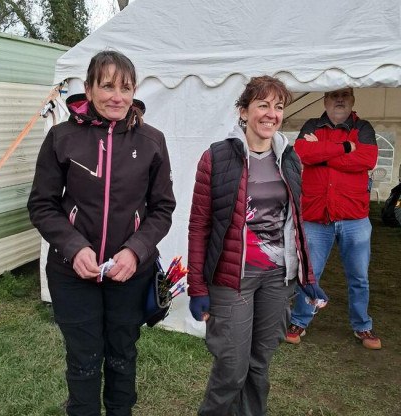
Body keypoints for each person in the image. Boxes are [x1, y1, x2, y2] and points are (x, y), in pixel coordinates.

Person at [27, 50, 176, 416]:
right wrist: (74, 246)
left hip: (130, 274)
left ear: (135, 91)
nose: (117, 97)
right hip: (72, 274)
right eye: (107, 86)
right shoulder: (62, 137)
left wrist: (136, 250)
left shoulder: (152, 141)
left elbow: (162, 208)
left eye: (125, 88)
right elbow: (42, 204)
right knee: (84, 359)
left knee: (123, 355)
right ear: (89, 88)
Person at [187, 76, 324, 416]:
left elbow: (296, 222)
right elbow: (200, 225)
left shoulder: (289, 158)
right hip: (232, 279)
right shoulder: (216, 157)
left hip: (277, 279)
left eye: (278, 107)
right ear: (243, 111)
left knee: (259, 366)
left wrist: (306, 277)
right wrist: (196, 287)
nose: (271, 114)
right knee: (231, 370)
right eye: (263, 105)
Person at [286, 87, 382, 350]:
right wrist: (345, 148)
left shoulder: (363, 127)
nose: (339, 99)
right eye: (334, 95)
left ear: (352, 100)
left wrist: (323, 155)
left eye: (345, 95)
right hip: (317, 215)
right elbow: (302, 153)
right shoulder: (312, 124)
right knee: (309, 274)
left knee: (359, 277)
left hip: (354, 216)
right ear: (325, 100)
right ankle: (299, 321)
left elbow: (368, 159)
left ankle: (362, 325)